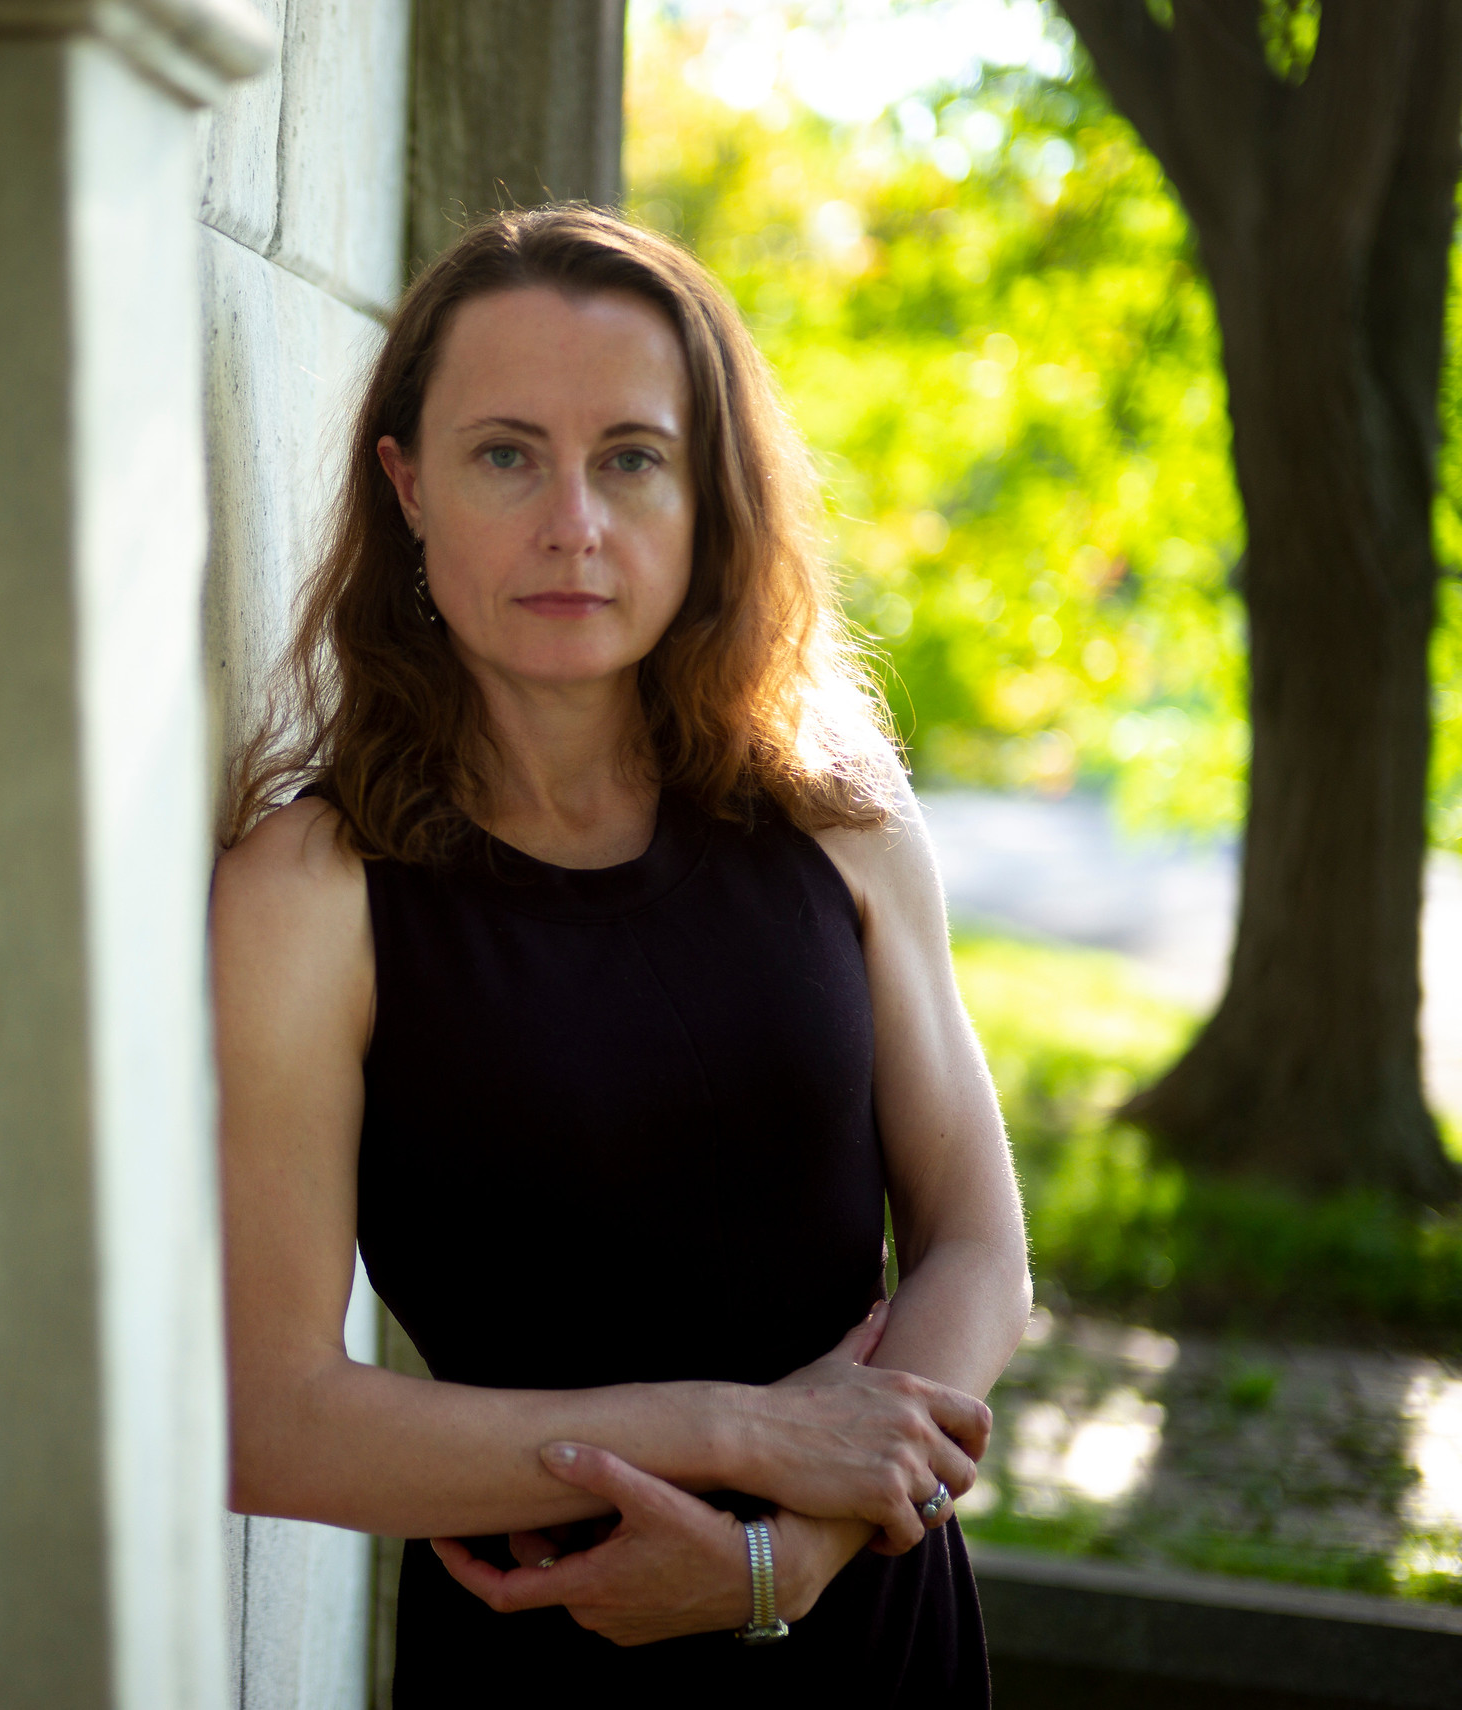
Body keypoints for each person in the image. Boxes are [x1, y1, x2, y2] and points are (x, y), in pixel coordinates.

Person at [210, 204, 1032, 1699]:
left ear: (710, 496)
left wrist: (803, 1542)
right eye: (506, 453)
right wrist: (732, 1430)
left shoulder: (838, 813)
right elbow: (266, 1414)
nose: (572, 524)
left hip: (881, 1635)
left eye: (632, 459)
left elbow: (981, 1244)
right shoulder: (309, 892)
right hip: (544, 1654)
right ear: (406, 484)